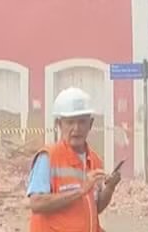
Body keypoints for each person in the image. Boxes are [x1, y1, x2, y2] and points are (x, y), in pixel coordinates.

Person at [27, 87, 120, 232]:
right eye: (70, 122)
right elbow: (36, 203)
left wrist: (110, 188)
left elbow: (94, 208)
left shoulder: (94, 160)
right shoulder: (48, 158)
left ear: (90, 124)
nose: (76, 128)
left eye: (82, 122)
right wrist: (80, 190)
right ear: (59, 124)